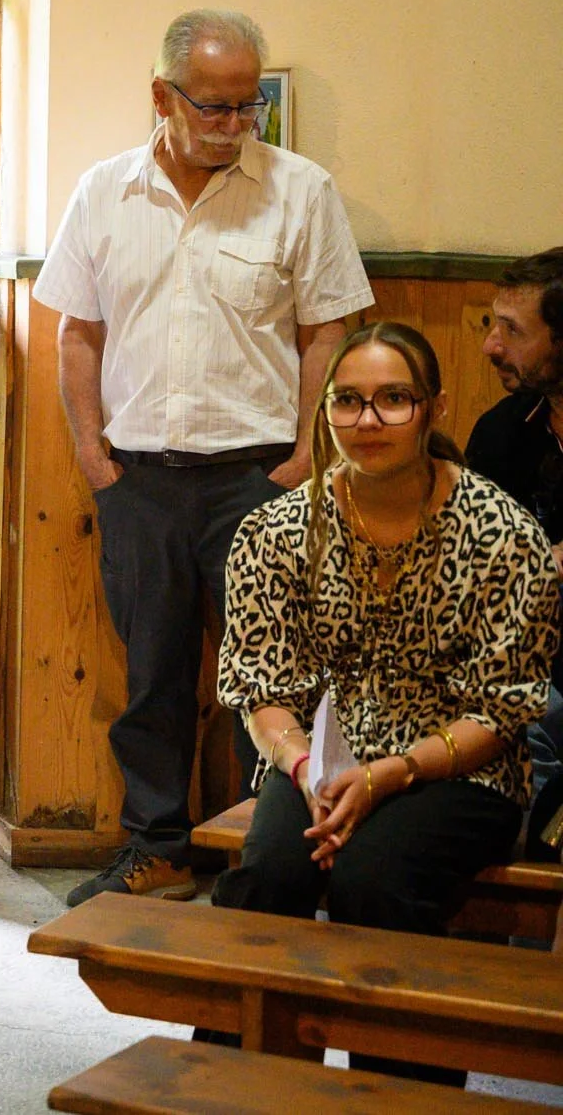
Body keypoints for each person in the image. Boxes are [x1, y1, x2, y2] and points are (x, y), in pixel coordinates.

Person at [32, 9, 376, 907]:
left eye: (247, 107)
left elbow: (327, 333)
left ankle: (255, 858)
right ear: (162, 96)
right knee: (152, 676)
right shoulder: (104, 191)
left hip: (259, 477)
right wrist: (91, 454)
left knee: (264, 676)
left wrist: (306, 456)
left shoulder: (301, 191)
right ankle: (157, 846)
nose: (234, 124)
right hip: (139, 478)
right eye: (215, 108)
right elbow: (77, 332)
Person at [210, 322, 557, 1086]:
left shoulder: (503, 535)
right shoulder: (275, 531)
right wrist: (306, 768)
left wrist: (387, 775)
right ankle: (233, 1090)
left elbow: (501, 712)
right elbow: (264, 691)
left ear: (432, 410)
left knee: (377, 878)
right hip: (319, 761)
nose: (368, 422)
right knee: (270, 871)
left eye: (393, 400)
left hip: (458, 766)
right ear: (325, 413)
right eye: (350, 402)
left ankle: (397, 1096)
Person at [464, 246, 563, 860]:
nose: (491, 346)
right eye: (490, 324)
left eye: (513, 330)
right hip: (515, 668)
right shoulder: (504, 430)